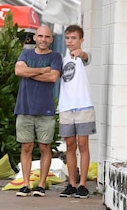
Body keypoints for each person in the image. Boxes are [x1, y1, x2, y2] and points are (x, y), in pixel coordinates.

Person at [14, 25, 62, 196]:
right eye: (40, 36)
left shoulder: (55, 56)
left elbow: (53, 77)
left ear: (51, 39)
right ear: (35, 38)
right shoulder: (26, 53)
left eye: (47, 37)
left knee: (44, 147)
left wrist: (29, 73)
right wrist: (42, 70)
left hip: (45, 109)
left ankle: (41, 185)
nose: (43, 39)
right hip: (24, 107)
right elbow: (18, 70)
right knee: (26, 146)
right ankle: (26, 184)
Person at [57, 25, 95, 198]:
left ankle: (83, 184)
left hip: (84, 107)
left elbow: (86, 57)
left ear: (81, 40)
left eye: (73, 38)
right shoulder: (62, 60)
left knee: (83, 144)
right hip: (66, 108)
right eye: (67, 38)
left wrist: (81, 53)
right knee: (70, 146)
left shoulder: (82, 58)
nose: (70, 41)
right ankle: (72, 183)